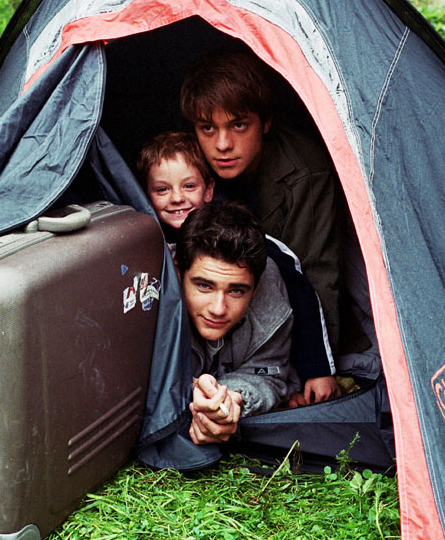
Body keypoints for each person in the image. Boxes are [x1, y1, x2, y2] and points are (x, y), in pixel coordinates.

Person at [181, 49, 371, 403]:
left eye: (239, 125)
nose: (222, 145)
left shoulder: (304, 173)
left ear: (265, 122)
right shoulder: (187, 164)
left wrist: (315, 368)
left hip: (279, 312)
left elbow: (315, 270)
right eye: (208, 128)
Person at [137, 131, 336, 409]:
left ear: (208, 190)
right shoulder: (140, 250)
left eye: (189, 186)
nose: (177, 198)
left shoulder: (240, 238)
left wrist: (318, 367)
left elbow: (301, 290)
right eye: (162, 190)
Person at [175, 201, 297, 445]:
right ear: (178, 272)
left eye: (236, 291)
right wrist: (188, 390)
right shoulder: (147, 301)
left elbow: (270, 374)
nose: (218, 309)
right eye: (204, 286)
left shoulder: (272, 303)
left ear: (256, 288)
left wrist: (233, 397)